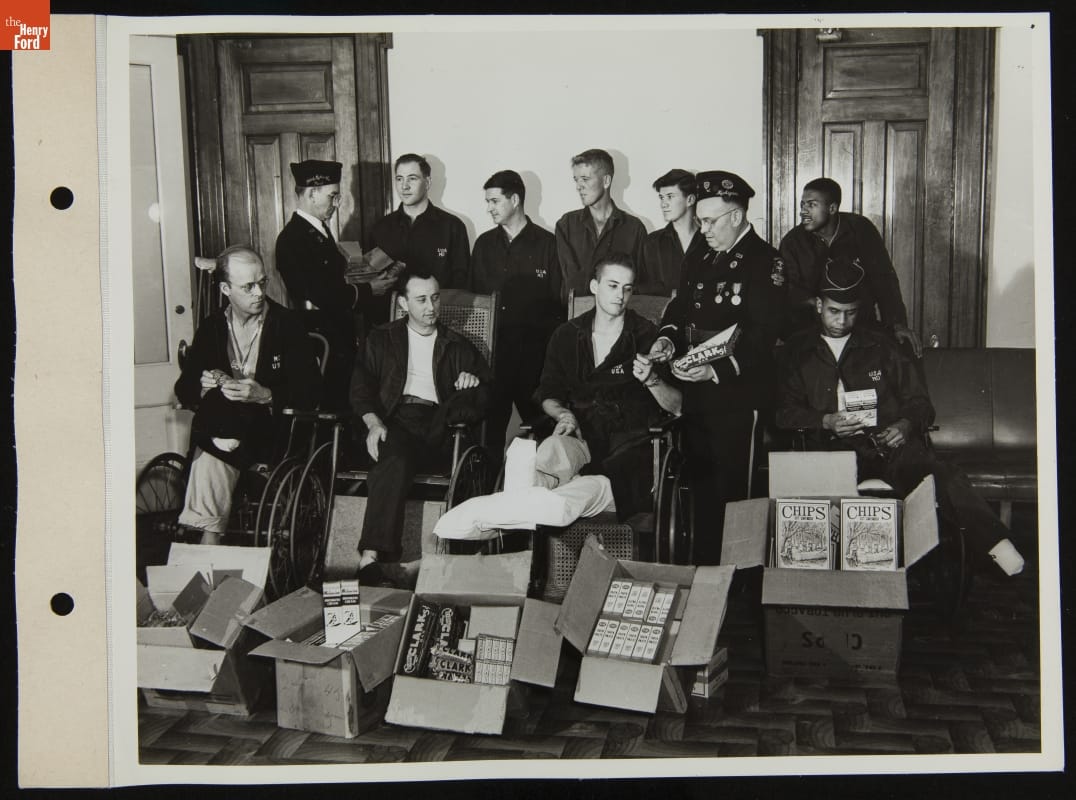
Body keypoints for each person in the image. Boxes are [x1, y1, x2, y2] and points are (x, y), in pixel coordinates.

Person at [775, 258, 1025, 576]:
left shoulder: (883, 346)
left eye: (850, 312)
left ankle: (998, 547)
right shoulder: (797, 351)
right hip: (828, 450)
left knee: (942, 474)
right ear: (819, 305)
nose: (841, 321)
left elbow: (920, 403)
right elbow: (782, 413)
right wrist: (825, 421)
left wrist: (905, 425)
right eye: (833, 311)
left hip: (887, 446)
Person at [648, 171, 787, 565]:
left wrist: (716, 372)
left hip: (738, 395)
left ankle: (736, 579)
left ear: (737, 216)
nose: (703, 228)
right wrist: (667, 340)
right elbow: (680, 308)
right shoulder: (701, 253)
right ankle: (706, 572)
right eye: (700, 220)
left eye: (710, 221)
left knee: (733, 493)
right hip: (696, 390)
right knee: (700, 488)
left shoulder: (766, 261)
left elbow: (763, 334)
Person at [349, 268, 493, 579]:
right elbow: (360, 388)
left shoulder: (457, 345)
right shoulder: (381, 338)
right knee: (394, 458)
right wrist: (373, 422)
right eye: (422, 299)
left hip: (441, 424)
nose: (431, 307)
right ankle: (370, 558)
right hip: (395, 419)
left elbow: (486, 394)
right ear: (403, 303)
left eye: (435, 298)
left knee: (455, 419)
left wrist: (471, 383)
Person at [175, 246, 322, 544]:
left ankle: (206, 544)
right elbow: (184, 387)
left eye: (262, 283)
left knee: (210, 450)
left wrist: (266, 394)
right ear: (225, 289)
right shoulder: (212, 327)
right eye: (248, 286)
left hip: (270, 434)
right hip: (225, 430)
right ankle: (210, 541)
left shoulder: (287, 324)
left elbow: (312, 389)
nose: (258, 292)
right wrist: (202, 386)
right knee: (217, 410)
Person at [536, 253, 681, 522]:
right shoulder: (567, 335)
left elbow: (677, 405)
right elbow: (548, 393)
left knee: (582, 489)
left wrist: (651, 380)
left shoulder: (647, 336)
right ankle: (529, 513)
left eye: (627, 288)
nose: (620, 295)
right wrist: (562, 414)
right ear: (594, 286)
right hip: (580, 436)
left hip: (628, 448)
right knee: (547, 453)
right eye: (612, 286)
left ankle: (537, 508)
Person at [275, 159, 394, 411]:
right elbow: (321, 294)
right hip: (320, 337)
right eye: (332, 196)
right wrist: (369, 289)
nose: (336, 204)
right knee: (331, 404)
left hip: (334, 332)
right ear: (311, 193)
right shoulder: (293, 238)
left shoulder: (317, 231)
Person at [469, 169, 562, 467]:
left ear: (516, 199)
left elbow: (558, 306)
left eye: (495, 201)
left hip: (534, 360)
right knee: (488, 435)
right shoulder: (483, 245)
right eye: (487, 201)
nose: (489, 208)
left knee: (545, 429)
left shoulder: (549, 244)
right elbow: (475, 303)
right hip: (493, 359)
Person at [779, 177, 922, 355]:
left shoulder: (861, 230)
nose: (803, 211)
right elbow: (789, 292)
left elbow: (884, 280)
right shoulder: (792, 242)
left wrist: (897, 324)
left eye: (811, 205)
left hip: (861, 327)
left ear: (832, 208)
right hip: (814, 333)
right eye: (802, 205)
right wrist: (820, 306)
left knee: (897, 353)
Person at [369, 153, 471, 325]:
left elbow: (461, 284)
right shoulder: (381, 228)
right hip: (390, 327)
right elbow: (371, 280)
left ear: (428, 182)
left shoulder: (453, 227)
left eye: (412, 178)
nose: (404, 186)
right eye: (399, 179)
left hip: (439, 323)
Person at [554, 148, 647, 299]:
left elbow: (638, 286)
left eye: (585, 178)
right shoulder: (566, 225)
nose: (579, 186)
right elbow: (570, 285)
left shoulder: (635, 229)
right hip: (576, 317)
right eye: (576, 180)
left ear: (606, 181)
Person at [638, 169, 706, 296]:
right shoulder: (651, 243)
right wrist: (672, 293)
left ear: (690, 200)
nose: (663, 204)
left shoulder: (712, 239)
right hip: (661, 314)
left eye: (670, 197)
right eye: (661, 198)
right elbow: (639, 288)